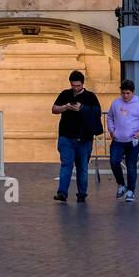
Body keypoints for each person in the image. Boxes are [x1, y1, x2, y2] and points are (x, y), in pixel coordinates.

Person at [51, 70, 103, 203]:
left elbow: (97, 113)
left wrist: (82, 108)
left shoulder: (90, 96)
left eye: (78, 85)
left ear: (82, 84)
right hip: (66, 137)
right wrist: (66, 107)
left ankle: (82, 194)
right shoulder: (65, 94)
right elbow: (54, 109)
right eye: (73, 85)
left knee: (82, 167)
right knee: (66, 165)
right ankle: (62, 193)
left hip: (84, 138)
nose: (75, 88)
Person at [107, 79, 139, 202]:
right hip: (117, 140)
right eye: (123, 93)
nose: (125, 96)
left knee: (131, 166)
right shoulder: (115, 103)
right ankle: (121, 184)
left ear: (133, 92)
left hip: (132, 141)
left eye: (128, 93)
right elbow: (110, 117)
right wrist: (111, 130)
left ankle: (131, 190)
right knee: (114, 161)